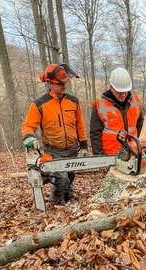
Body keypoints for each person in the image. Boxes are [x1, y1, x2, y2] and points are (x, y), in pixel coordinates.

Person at [21, 63, 87, 205]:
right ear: (50, 83)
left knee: (70, 176)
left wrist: (84, 145)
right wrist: (29, 137)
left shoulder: (73, 102)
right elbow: (28, 126)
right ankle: (56, 201)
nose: (64, 87)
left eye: (65, 83)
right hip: (53, 150)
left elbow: (80, 125)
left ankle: (69, 198)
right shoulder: (39, 104)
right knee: (61, 179)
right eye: (60, 84)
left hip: (72, 148)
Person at [90, 67, 144, 156]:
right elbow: (95, 133)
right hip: (111, 154)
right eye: (120, 92)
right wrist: (99, 156)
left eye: (125, 91)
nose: (123, 95)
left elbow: (140, 126)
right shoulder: (100, 105)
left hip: (133, 152)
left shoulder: (135, 101)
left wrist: (141, 146)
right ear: (111, 87)